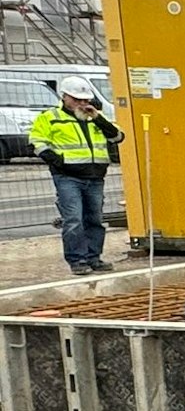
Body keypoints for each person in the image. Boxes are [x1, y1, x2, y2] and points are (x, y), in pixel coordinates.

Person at [31, 76, 125, 275]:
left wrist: (97, 118)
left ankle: (94, 258)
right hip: (68, 177)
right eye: (77, 99)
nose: (82, 103)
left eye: (85, 100)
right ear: (64, 97)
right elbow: (37, 143)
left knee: (95, 220)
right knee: (74, 220)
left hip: (95, 176)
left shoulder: (95, 118)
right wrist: (60, 163)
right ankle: (77, 261)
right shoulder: (49, 117)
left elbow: (118, 136)